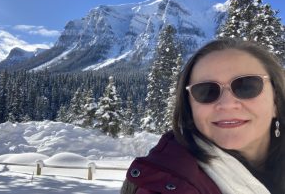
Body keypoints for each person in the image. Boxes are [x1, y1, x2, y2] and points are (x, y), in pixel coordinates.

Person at [121, 38, 285, 194]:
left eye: (247, 86)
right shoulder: (162, 185)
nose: (227, 104)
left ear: (276, 102)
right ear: (189, 108)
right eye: (206, 91)